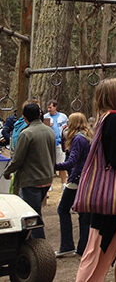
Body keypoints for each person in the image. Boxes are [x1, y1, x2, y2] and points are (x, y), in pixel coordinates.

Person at [75, 78, 116, 282]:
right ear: (114, 95)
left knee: (100, 246)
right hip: (112, 195)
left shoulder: (106, 119)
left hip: (105, 195)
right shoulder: (114, 120)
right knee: (99, 247)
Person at [2, 102, 55, 238]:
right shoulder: (50, 131)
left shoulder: (26, 134)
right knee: (35, 212)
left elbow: (18, 159)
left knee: (32, 216)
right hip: (47, 179)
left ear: (25, 118)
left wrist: (7, 172)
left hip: (31, 180)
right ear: (39, 114)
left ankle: (39, 247)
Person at [55, 112, 93, 257]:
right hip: (87, 178)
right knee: (84, 214)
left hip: (76, 179)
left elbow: (72, 161)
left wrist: (54, 166)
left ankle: (67, 245)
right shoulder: (88, 137)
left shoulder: (77, 139)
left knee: (63, 209)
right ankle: (83, 247)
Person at [45, 99, 69, 184]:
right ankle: (49, 183)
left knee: (61, 163)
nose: (49, 109)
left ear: (55, 107)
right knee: (49, 164)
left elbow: (66, 129)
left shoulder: (63, 117)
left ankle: (63, 183)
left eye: (50, 107)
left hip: (60, 143)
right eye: (48, 108)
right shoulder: (45, 117)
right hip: (49, 143)